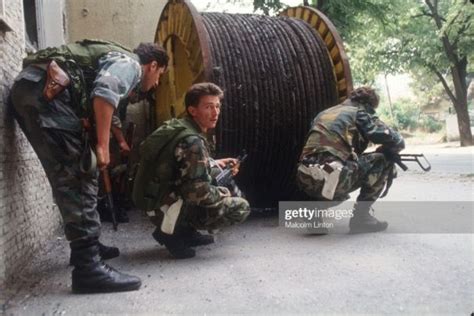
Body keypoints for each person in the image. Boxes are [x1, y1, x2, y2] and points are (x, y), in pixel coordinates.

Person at [9, 39, 168, 293]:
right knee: (80, 174)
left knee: (69, 173)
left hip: (34, 88)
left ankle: (85, 247)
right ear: (153, 65)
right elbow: (105, 92)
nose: (156, 83)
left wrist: (105, 140)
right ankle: (88, 268)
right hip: (47, 92)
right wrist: (103, 147)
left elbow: (106, 106)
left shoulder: (114, 57)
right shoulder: (131, 65)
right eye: (159, 75)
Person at [133, 82, 250, 259]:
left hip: (154, 198)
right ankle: (171, 233)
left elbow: (181, 165)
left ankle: (183, 230)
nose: (215, 112)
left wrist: (215, 164)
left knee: (217, 173)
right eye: (208, 107)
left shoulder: (180, 127)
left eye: (217, 106)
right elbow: (198, 193)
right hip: (163, 207)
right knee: (241, 206)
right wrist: (225, 193)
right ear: (193, 110)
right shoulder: (193, 141)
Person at [296, 86, 404, 233]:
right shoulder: (359, 112)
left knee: (338, 174)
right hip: (333, 176)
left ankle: (314, 213)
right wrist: (395, 143)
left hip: (305, 177)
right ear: (367, 105)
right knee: (383, 160)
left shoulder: (323, 114)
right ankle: (361, 218)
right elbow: (386, 136)